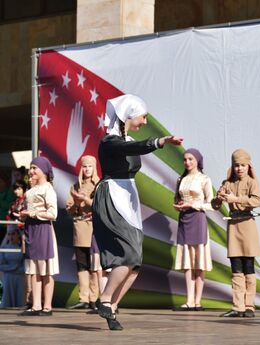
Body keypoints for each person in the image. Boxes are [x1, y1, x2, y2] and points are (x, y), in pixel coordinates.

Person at [92, 94, 183, 330]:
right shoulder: (110, 141)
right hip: (112, 195)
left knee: (135, 264)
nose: (144, 121)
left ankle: (110, 307)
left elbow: (132, 144)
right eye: (143, 117)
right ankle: (103, 299)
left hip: (128, 198)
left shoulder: (127, 138)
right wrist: (159, 141)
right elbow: (133, 147)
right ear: (129, 115)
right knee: (128, 256)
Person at [212, 149, 260, 318]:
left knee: (248, 266)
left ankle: (249, 306)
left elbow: (257, 201)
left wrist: (236, 200)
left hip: (247, 225)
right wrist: (218, 198)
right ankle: (237, 306)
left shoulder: (252, 182)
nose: (239, 169)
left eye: (242, 165)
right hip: (233, 226)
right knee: (236, 267)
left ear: (248, 166)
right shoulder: (227, 183)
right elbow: (214, 205)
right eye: (236, 165)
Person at [172, 148, 213, 312]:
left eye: (190, 159)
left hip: (198, 220)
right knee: (187, 263)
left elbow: (212, 204)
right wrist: (179, 206)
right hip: (184, 220)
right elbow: (178, 199)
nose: (187, 162)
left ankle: (197, 301)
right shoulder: (180, 179)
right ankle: (189, 300)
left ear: (197, 160)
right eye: (185, 159)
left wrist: (193, 205)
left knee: (199, 262)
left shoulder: (204, 179)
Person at [19, 156, 59, 316]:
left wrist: (32, 213)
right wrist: (24, 216)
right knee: (34, 270)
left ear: (44, 170)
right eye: (31, 168)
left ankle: (47, 306)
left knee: (46, 270)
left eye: (35, 168)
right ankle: (36, 305)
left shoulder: (48, 189)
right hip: (31, 231)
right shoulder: (31, 191)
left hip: (43, 231)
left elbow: (53, 213)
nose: (31, 171)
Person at [66, 155, 101, 311]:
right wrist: (77, 205)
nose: (87, 169)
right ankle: (83, 298)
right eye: (84, 166)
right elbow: (69, 208)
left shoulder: (100, 185)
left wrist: (86, 200)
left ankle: (94, 298)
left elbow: (102, 206)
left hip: (95, 228)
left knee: (95, 264)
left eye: (90, 166)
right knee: (82, 264)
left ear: (94, 168)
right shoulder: (75, 186)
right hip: (79, 227)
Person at [0, 227, 25, 308]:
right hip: (8, 278)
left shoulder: (22, 248)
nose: (11, 236)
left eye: (13, 234)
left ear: (18, 235)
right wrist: (13, 267)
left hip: (20, 278)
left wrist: (17, 269)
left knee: (19, 300)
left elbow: (25, 267)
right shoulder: (3, 248)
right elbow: (1, 266)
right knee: (7, 300)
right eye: (9, 234)